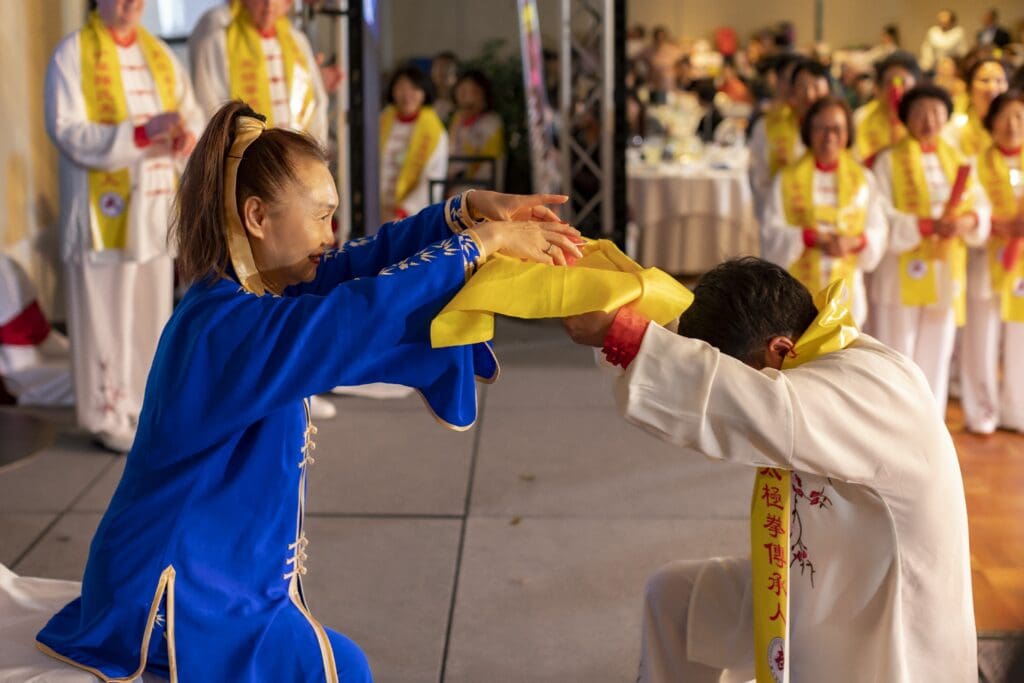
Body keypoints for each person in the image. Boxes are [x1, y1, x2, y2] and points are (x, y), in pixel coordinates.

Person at [34, 100, 583, 681]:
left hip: (210, 572)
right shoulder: (226, 328)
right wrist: (483, 244)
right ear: (257, 216)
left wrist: (466, 213)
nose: (331, 235)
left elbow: (359, 265)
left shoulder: (248, 293)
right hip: (167, 592)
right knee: (341, 667)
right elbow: (353, 315)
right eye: (321, 216)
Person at [562, 257, 976, 683]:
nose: (743, 381)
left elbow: (755, 406)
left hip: (881, 623)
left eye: (746, 372)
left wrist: (624, 336)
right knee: (677, 599)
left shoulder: (871, 385)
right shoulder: (822, 352)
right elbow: (712, 375)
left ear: (779, 348)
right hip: (822, 579)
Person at [44, 0, 204, 452]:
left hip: (151, 207)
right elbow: (65, 128)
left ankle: (141, 402)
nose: (132, 4)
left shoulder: (160, 54)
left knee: (151, 309)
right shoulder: (72, 53)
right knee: (105, 309)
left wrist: (184, 133)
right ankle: (106, 409)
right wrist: (138, 132)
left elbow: (188, 110)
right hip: (104, 213)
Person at [870, 85, 990, 414]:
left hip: (945, 267)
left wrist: (966, 222)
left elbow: (980, 206)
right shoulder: (888, 161)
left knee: (938, 351)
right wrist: (924, 226)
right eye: (920, 112)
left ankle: (930, 422)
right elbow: (880, 213)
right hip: (901, 268)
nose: (928, 120)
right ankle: (895, 421)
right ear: (906, 117)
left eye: (936, 112)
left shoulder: (958, 159)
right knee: (899, 351)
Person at [764, 96, 886, 327]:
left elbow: (878, 228)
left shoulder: (863, 179)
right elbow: (770, 231)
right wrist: (808, 237)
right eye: (821, 128)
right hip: (798, 292)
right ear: (808, 131)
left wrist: (855, 242)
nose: (829, 136)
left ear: (848, 133)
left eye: (837, 129)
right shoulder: (786, 178)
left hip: (848, 291)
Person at [962, 90, 1024, 433]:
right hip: (985, 258)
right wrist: (999, 226)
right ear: (991, 122)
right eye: (1005, 116)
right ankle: (982, 411)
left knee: (1021, 337)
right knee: (981, 338)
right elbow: (970, 210)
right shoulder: (974, 165)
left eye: (1020, 116)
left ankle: (1018, 408)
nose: (1013, 124)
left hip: (1022, 265)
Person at [190, 0, 330, 145]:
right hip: (245, 158)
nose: (269, 4)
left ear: (288, 3)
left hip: (296, 155)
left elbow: (316, 103)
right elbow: (209, 107)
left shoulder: (297, 41)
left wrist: (315, 153)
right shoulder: (218, 42)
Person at [749, 59, 830, 227]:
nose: (809, 95)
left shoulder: (839, 131)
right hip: (784, 223)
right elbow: (759, 180)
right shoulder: (767, 128)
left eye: (816, 87)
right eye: (803, 87)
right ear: (793, 91)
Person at [0, 255, 74, 407]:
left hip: (28, 358)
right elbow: (19, 365)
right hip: (14, 373)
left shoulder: (5, 265)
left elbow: (41, 336)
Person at [379, 64, 448, 222]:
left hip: (410, 216)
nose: (407, 94)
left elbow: (433, 178)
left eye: (414, 88)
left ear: (424, 93)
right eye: (401, 87)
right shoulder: (382, 121)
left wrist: (403, 211)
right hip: (375, 208)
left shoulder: (435, 131)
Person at [853, 50, 920, 168]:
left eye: (902, 83)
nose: (896, 90)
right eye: (890, 83)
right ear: (879, 88)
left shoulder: (924, 117)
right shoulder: (861, 117)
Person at [447, 69, 506, 192]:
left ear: (483, 95)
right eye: (462, 91)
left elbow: (489, 168)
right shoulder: (457, 119)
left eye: (473, 91)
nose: (467, 97)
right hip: (455, 189)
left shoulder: (491, 123)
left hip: (480, 192)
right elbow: (450, 153)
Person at [946, 56, 1010, 158]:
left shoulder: (1015, 126)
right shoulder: (954, 125)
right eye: (985, 80)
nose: (992, 88)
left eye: (999, 81)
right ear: (970, 88)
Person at [920, 9, 968, 73]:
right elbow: (927, 50)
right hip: (934, 67)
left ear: (951, 20)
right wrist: (926, 65)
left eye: (945, 17)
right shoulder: (933, 31)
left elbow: (962, 52)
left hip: (952, 67)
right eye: (941, 17)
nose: (942, 19)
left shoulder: (958, 32)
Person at [430, 51, 459, 124]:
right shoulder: (426, 99)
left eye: (446, 67)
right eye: (437, 67)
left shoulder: (461, 103)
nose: (441, 71)